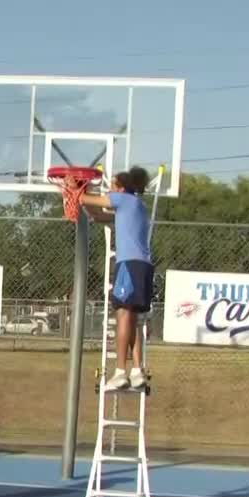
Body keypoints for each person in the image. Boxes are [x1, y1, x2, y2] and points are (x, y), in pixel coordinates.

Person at [76, 166, 154, 390]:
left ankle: (120, 372)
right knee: (134, 319)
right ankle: (137, 371)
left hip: (129, 264)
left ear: (121, 187)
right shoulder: (136, 205)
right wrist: (86, 203)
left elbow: (85, 198)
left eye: (111, 185)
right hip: (143, 265)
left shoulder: (122, 199)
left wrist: (76, 188)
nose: (109, 189)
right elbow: (99, 214)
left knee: (122, 315)